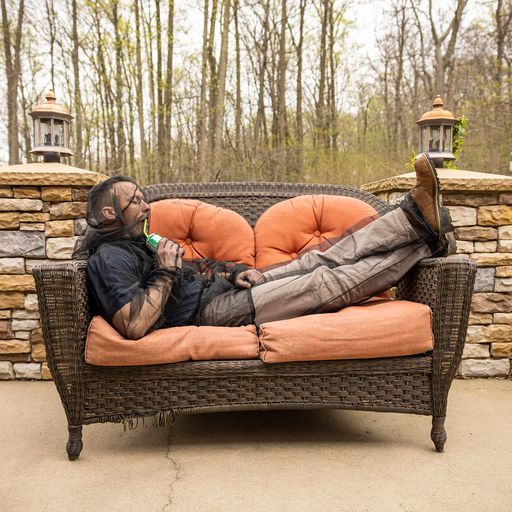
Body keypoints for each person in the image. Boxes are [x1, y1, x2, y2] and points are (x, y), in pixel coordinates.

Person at [78, 154, 453, 340]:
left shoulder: (139, 240)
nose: (147, 207)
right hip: (211, 311)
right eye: (137, 202)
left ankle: (412, 218)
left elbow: (195, 268)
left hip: (223, 289)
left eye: (145, 199)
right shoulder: (108, 258)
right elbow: (133, 324)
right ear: (110, 213)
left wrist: (235, 270)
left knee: (321, 257)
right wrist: (164, 271)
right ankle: (427, 239)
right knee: (321, 282)